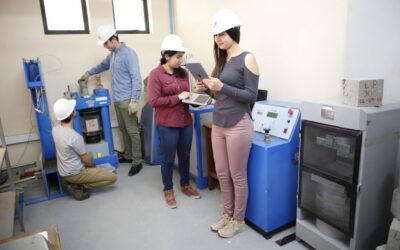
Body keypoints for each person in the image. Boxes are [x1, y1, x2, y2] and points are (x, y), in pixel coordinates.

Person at [196, 9, 259, 238]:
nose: (218, 39)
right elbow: (219, 97)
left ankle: (238, 220)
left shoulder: (247, 58)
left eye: (222, 34)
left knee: (237, 175)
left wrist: (222, 87)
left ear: (233, 32)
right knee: (222, 173)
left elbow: (251, 96)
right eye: (215, 35)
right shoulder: (222, 61)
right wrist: (209, 89)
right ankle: (227, 213)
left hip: (239, 124)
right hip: (219, 122)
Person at [78, 24, 143, 176]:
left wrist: (135, 100)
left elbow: (136, 78)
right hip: (118, 100)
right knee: (123, 129)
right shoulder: (112, 55)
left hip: (128, 100)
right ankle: (128, 156)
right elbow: (102, 65)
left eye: (106, 43)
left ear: (114, 38)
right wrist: (88, 73)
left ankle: (137, 162)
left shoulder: (129, 54)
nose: (105, 46)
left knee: (133, 131)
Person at [148, 34, 201, 209]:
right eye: (178, 57)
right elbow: (154, 101)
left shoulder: (184, 73)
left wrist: (196, 97)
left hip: (185, 121)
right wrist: (177, 97)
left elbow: (186, 95)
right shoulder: (155, 75)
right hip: (168, 124)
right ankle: (168, 189)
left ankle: (185, 185)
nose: (181, 60)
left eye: (182, 56)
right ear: (166, 55)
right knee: (168, 159)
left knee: (185, 156)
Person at [52, 98, 117, 201]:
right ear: (73, 113)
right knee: (113, 177)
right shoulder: (75, 137)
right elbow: (86, 161)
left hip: (64, 172)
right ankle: (79, 186)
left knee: (89, 153)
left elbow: (60, 118)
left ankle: (75, 182)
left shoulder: (55, 128)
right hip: (76, 173)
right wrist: (94, 167)